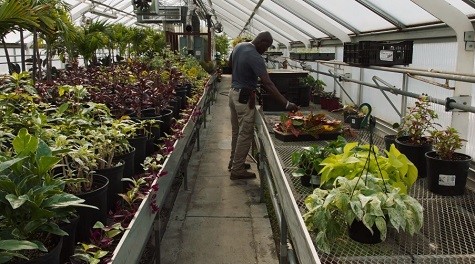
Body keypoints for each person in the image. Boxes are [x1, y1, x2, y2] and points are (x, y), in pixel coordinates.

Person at [228, 31, 299, 180]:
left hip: (233, 93)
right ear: (262, 42)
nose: (266, 51)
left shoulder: (239, 46)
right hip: (244, 98)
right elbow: (267, 83)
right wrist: (285, 103)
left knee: (236, 131)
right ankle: (237, 169)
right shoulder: (255, 56)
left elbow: (230, 65)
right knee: (245, 133)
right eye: (266, 47)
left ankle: (234, 162)